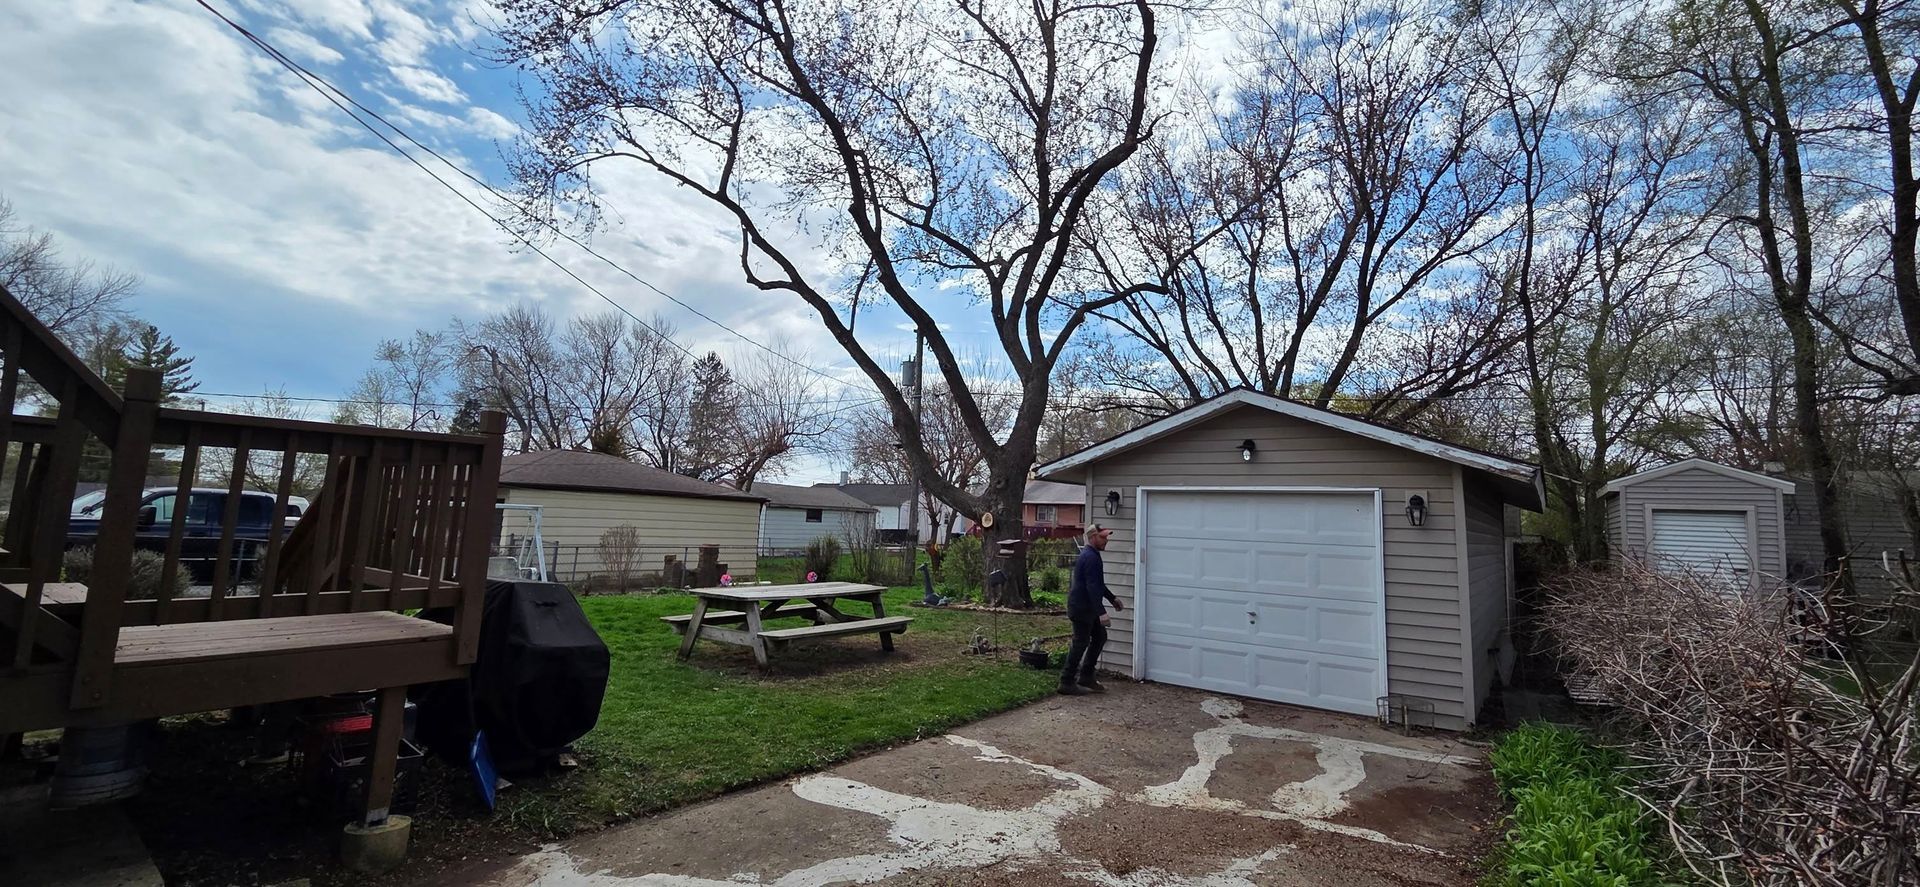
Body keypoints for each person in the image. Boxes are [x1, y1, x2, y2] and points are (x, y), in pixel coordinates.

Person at [1061, 524, 1123, 695]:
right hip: (1081, 608)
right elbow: (1091, 587)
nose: (1106, 540)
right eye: (1103, 537)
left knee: (1100, 636)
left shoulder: (1092, 555)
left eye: (1106, 537)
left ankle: (1086, 676)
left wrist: (1112, 598)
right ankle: (1066, 682)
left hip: (1088, 607)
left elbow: (1098, 585)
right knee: (1081, 642)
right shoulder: (1090, 557)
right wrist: (1102, 612)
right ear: (1093, 537)